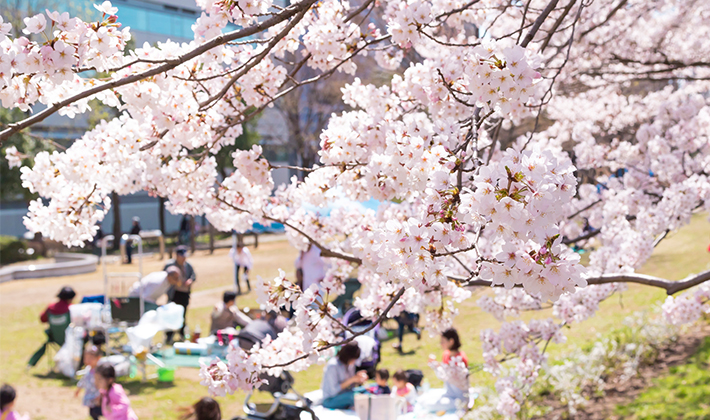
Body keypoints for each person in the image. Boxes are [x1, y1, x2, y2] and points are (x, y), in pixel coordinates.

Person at [28, 286, 76, 367]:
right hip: (69, 338)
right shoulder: (71, 308)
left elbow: (42, 319)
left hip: (55, 338)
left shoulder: (51, 308)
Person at [320, 342, 367, 409]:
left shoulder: (350, 364)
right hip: (331, 399)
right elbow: (334, 391)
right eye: (353, 359)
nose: (354, 361)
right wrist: (352, 379)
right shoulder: (333, 366)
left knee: (370, 388)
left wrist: (358, 379)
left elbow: (351, 387)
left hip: (346, 394)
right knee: (356, 397)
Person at [165, 245, 196, 342]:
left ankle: (181, 334)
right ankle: (169, 336)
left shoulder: (188, 265)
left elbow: (193, 275)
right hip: (174, 294)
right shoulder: (170, 265)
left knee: (182, 315)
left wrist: (190, 280)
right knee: (171, 314)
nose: (183, 258)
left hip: (184, 293)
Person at [75, 346, 102, 420]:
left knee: (99, 411)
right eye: (86, 358)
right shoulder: (87, 370)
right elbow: (83, 380)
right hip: (90, 397)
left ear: (98, 358)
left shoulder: (99, 371)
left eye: (91, 358)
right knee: (92, 413)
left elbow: (103, 385)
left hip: (98, 397)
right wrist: (78, 389)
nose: (88, 360)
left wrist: (100, 394)